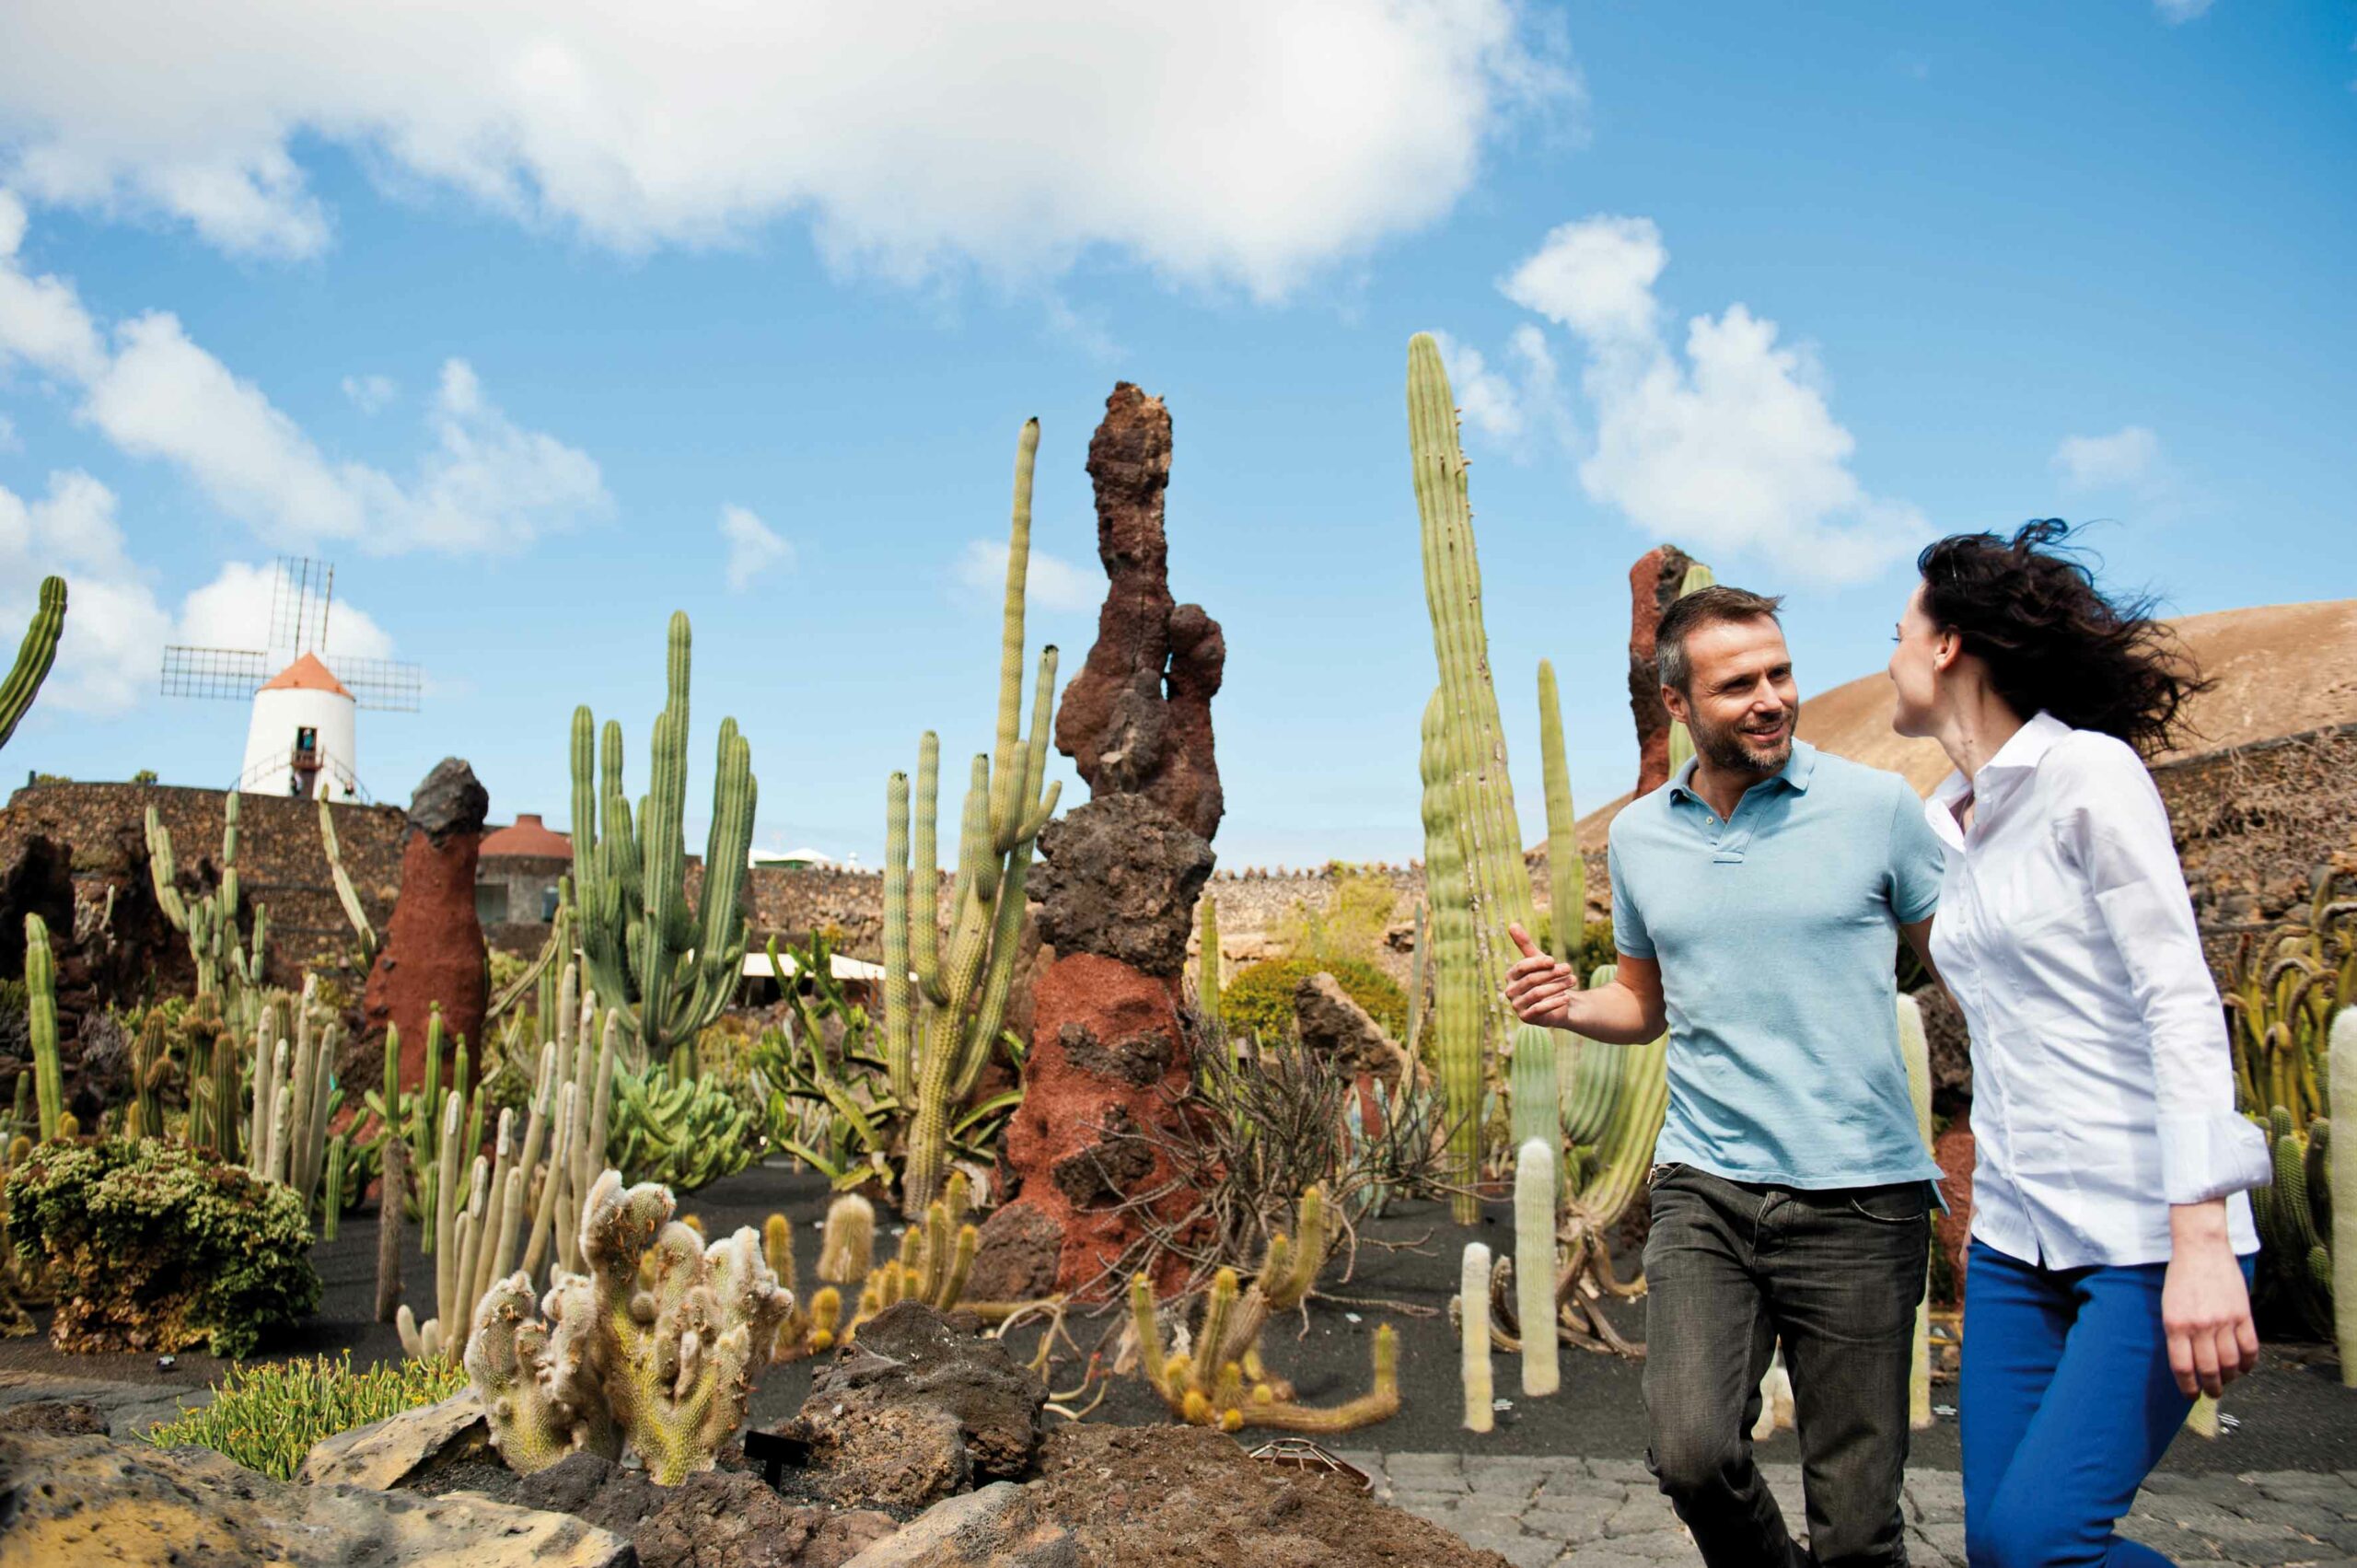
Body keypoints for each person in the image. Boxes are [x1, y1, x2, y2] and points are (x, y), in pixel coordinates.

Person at [1505, 585, 1945, 1568]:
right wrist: (1566, 1004)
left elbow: (1975, 967)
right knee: (1692, 1452)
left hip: (1862, 1199)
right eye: (1738, 682)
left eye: (1779, 672)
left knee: (1858, 1518)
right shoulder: (1637, 836)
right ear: (1677, 704)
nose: (1771, 697)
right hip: (1707, 1192)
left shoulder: (1877, 808)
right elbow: (1643, 1003)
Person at [1886, 520, 2267, 1568]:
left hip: (2147, 1230)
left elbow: (2178, 998)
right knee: (2004, 1548)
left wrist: (2200, 1241)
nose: (1888, 655)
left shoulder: (2089, 774)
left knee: (2042, 1542)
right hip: (2017, 1237)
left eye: (1896, 632)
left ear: (1948, 644)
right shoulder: (1941, 826)